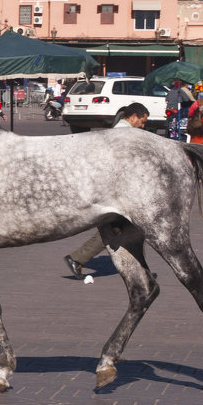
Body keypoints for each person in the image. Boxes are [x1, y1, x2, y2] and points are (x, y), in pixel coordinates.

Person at [63, 103, 150, 277]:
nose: (143, 125)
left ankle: (79, 258)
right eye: (142, 121)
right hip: (116, 195)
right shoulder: (124, 135)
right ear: (133, 117)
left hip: (115, 194)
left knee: (120, 230)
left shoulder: (121, 131)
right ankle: (78, 258)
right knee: (122, 230)